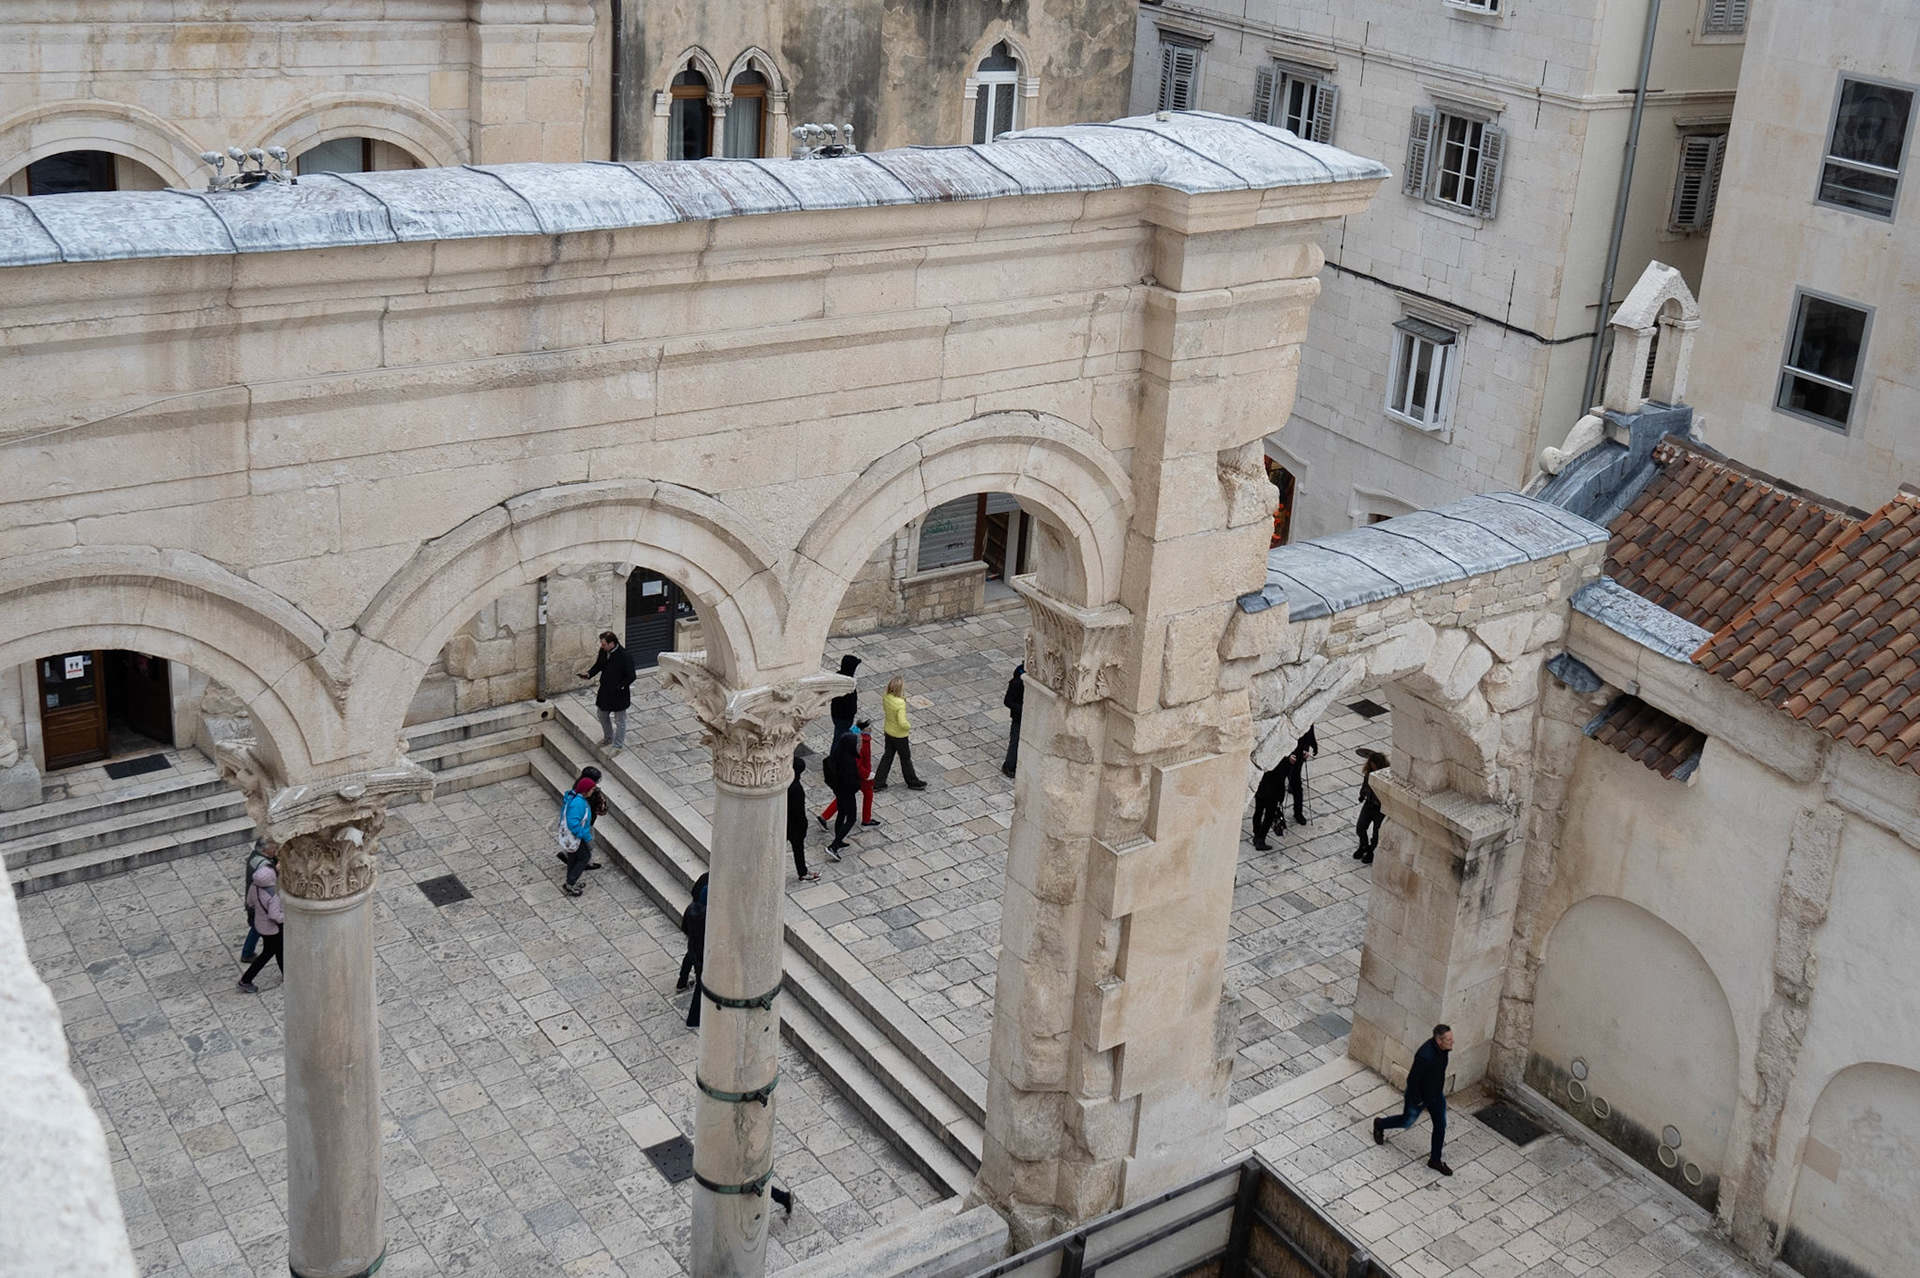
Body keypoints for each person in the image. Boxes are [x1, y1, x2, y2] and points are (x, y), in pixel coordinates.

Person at [1373, 1024, 1454, 1175]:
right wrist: (1418, 1101)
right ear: (1438, 1041)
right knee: (1406, 1122)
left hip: (1436, 1095)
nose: (1452, 1042)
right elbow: (1413, 1080)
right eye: (1449, 1039)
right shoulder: (1425, 1056)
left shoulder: (1444, 1050)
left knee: (1440, 1125)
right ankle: (1380, 1124)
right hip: (1419, 1097)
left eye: (1451, 1038)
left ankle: (1435, 1160)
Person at [579, 630, 638, 752]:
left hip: (618, 694)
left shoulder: (625, 656)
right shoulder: (604, 652)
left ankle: (617, 745)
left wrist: (620, 686)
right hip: (605, 690)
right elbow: (599, 665)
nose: (602, 646)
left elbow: (631, 676)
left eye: (604, 644)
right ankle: (608, 737)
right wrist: (589, 674)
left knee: (620, 720)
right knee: (602, 714)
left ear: (612, 643)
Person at [818, 720, 878, 832]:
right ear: (864, 729)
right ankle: (866, 820)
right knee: (864, 794)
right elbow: (859, 762)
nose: (871, 729)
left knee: (844, 798)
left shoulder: (855, 739)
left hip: (857, 774)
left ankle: (824, 816)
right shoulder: (863, 742)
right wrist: (867, 774)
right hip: (860, 775)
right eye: (869, 727)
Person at [871, 675, 926, 791]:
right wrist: (908, 726)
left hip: (888, 731)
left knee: (888, 756)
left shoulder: (886, 696)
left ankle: (878, 782)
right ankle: (912, 781)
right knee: (905, 758)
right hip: (900, 735)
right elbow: (902, 722)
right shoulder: (900, 703)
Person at [237, 864, 285, 992]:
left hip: (260, 924)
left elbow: (250, 902)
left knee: (279, 948)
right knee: (268, 953)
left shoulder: (254, 887)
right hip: (272, 928)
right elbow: (275, 916)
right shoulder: (273, 895)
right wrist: (287, 917)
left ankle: (285, 973)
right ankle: (246, 980)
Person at [822, 726, 863, 859]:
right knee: (851, 819)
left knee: (841, 814)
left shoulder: (838, 753)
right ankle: (833, 846)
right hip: (847, 793)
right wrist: (859, 784)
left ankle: (838, 841)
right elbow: (850, 782)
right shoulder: (849, 761)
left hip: (838, 790)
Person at [554, 766, 604, 871]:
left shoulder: (578, 787)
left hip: (576, 819)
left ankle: (566, 853)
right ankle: (587, 863)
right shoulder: (590, 794)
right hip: (586, 822)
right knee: (588, 842)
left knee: (575, 839)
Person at [1250, 752, 1297, 851]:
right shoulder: (1280, 762)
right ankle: (1261, 839)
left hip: (1260, 788)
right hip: (1272, 793)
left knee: (1258, 812)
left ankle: (1256, 835)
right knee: (1269, 816)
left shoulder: (1265, 756)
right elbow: (1281, 778)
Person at [239, 839, 276, 962]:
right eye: (272, 847)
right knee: (256, 927)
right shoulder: (262, 864)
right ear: (265, 849)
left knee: (256, 927)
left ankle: (247, 952)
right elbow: (269, 879)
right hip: (259, 902)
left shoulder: (255, 856)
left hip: (254, 900)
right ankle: (247, 953)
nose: (274, 849)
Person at [561, 774, 597, 896]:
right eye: (592, 789)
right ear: (585, 791)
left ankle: (569, 881)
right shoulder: (578, 803)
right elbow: (573, 823)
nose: (593, 791)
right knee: (584, 857)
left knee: (573, 857)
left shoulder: (574, 797)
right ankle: (570, 883)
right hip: (576, 836)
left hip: (571, 836)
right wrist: (586, 836)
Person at [681, 873, 709, 1028]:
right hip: (703, 954)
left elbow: (684, 927)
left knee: (689, 959)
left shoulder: (691, 909)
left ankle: (681, 982)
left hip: (693, 946)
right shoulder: (709, 917)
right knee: (701, 985)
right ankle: (693, 1019)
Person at [788, 756, 818, 883]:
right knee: (798, 848)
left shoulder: (785, 784)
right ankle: (803, 872)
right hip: (794, 825)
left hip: (782, 822)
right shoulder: (796, 788)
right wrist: (803, 825)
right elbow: (799, 811)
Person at [1354, 748, 1388, 864]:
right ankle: (1363, 845)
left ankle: (1372, 851)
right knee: (1360, 827)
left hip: (1380, 808)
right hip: (1369, 804)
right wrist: (1362, 795)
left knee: (1377, 832)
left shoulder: (1385, 776)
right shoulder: (1369, 774)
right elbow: (1365, 786)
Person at [828, 654, 861, 736]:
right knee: (840, 738)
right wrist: (853, 712)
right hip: (843, 717)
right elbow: (850, 705)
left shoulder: (838, 678)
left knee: (839, 734)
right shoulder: (848, 685)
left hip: (836, 714)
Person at [1292, 724, 1319, 824]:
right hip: (1286, 756)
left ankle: (1298, 812)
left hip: (1299, 754)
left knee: (1297, 787)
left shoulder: (1307, 721)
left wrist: (1308, 748)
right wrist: (1290, 755)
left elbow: (1309, 732)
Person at [1002, 663, 1024, 778]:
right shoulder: (1017, 682)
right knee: (1015, 741)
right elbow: (1008, 701)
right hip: (1019, 718)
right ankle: (1009, 766)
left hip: (1028, 716)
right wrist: (1023, 710)